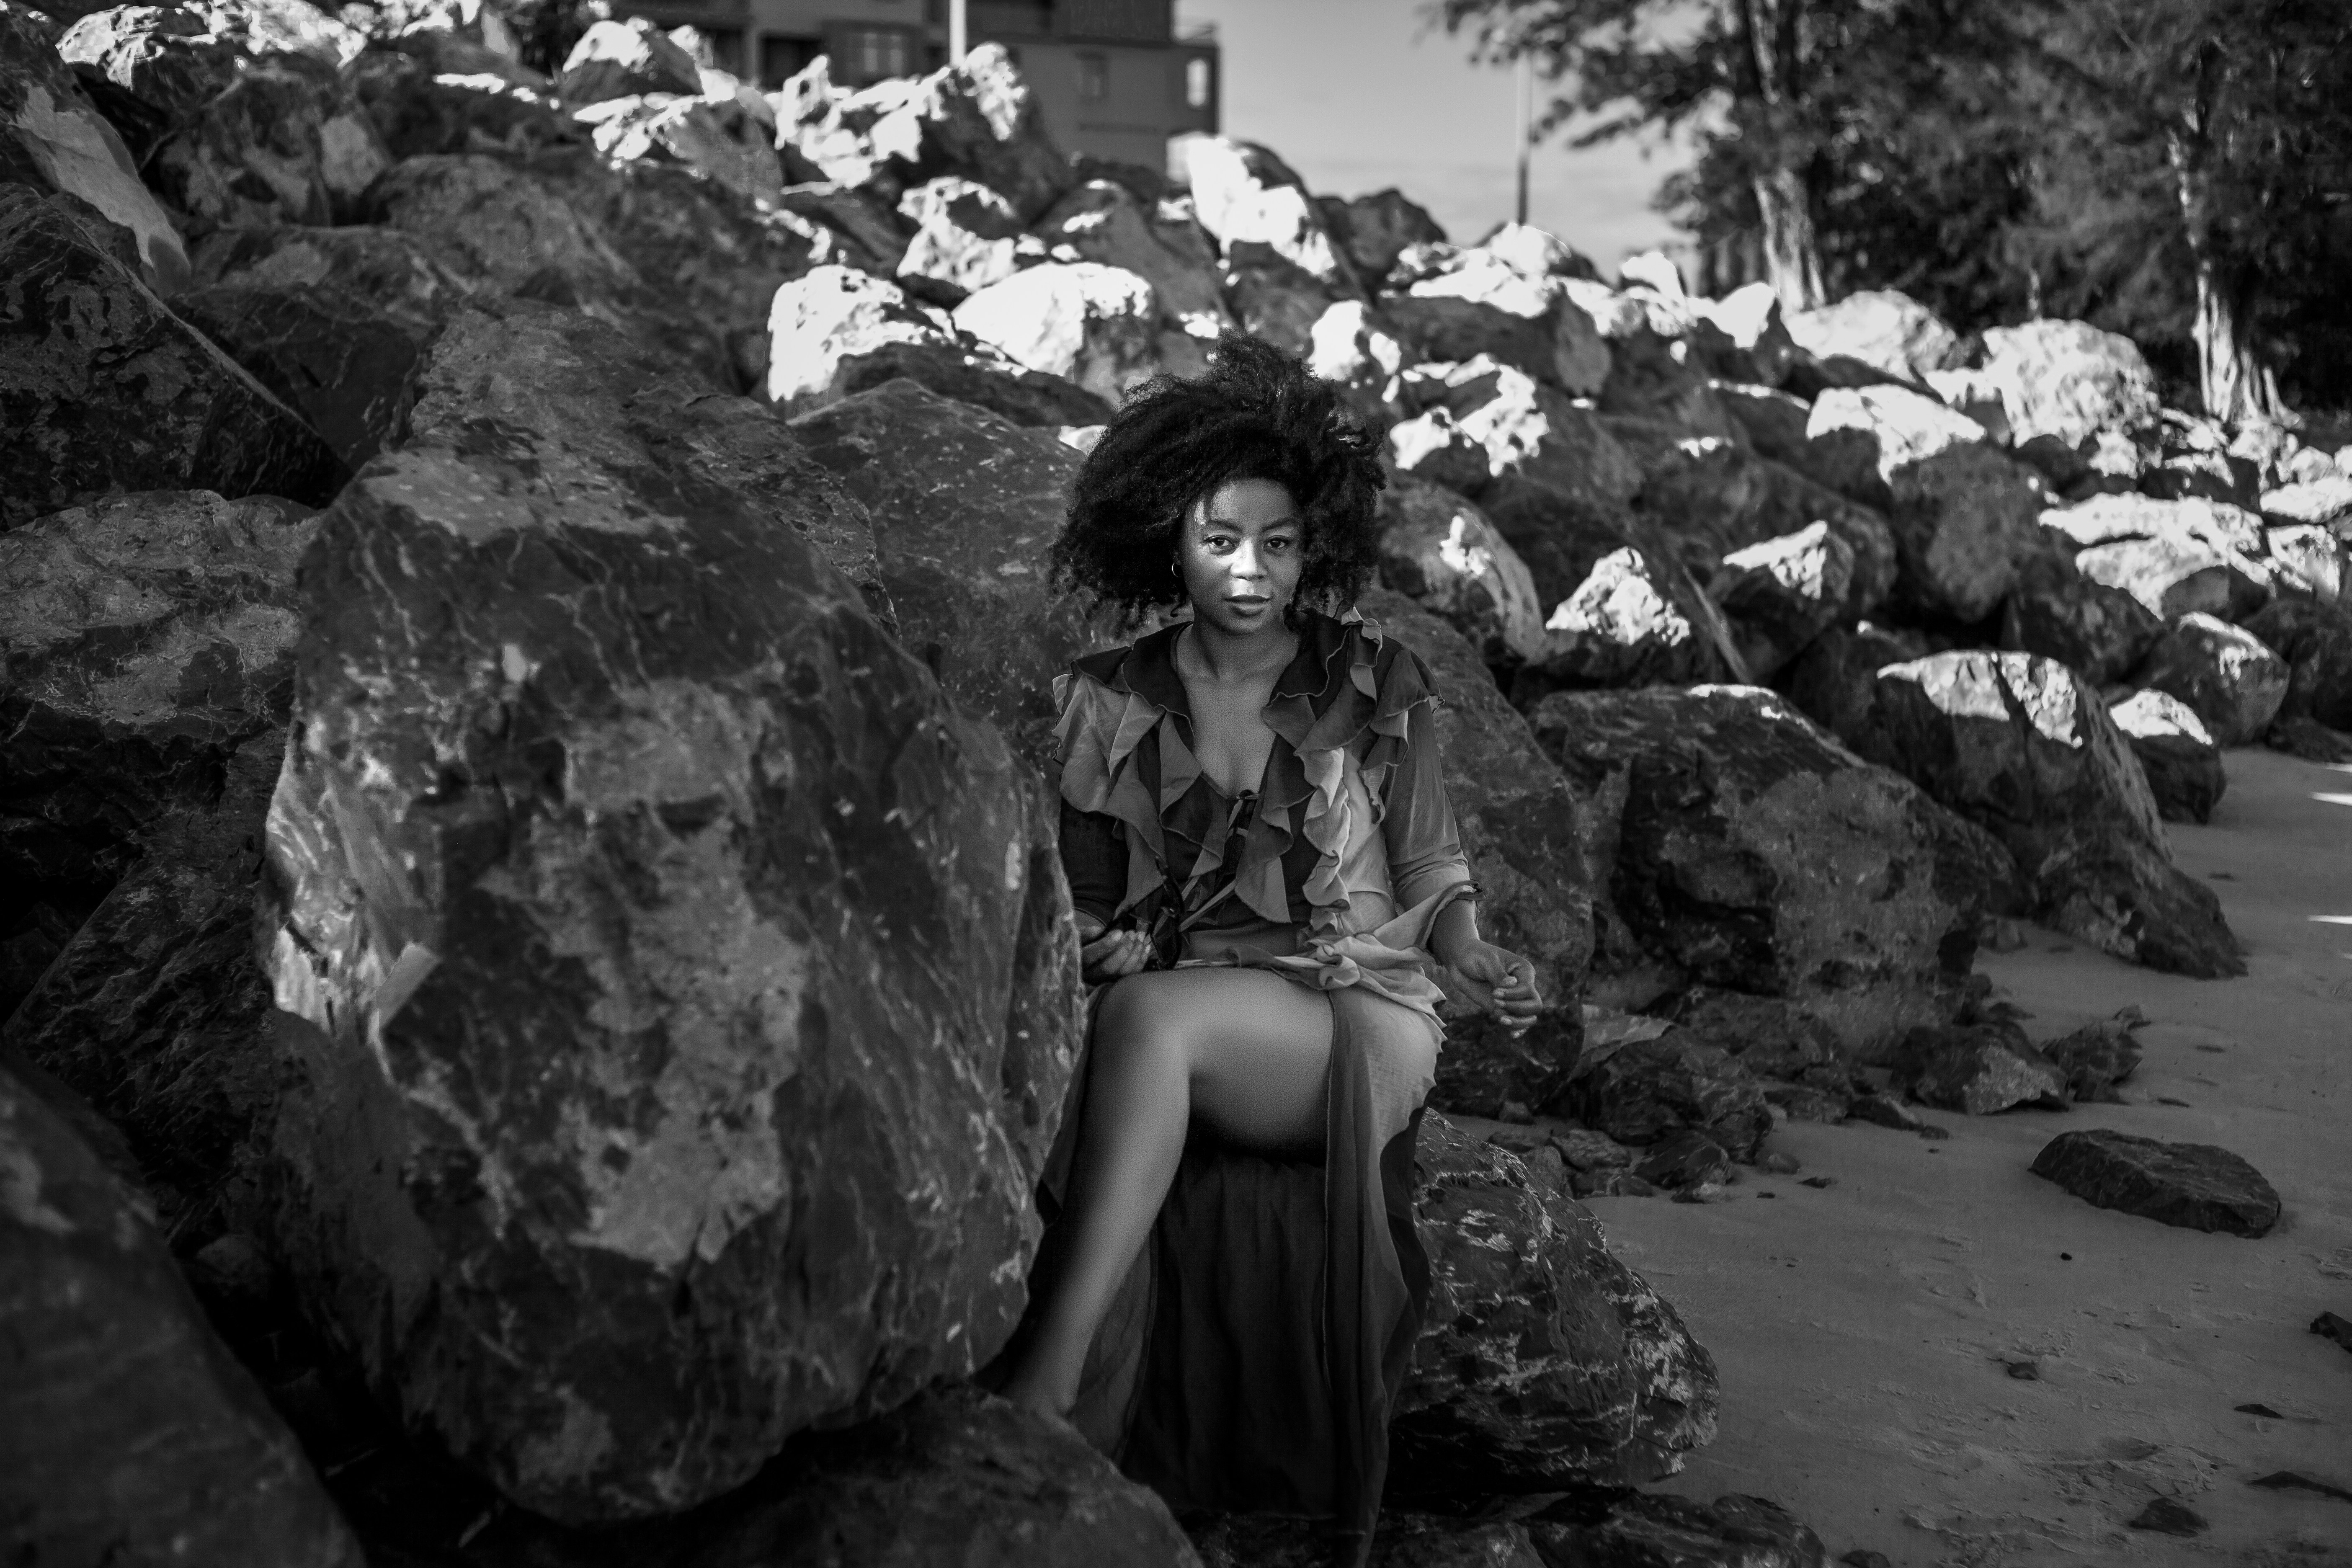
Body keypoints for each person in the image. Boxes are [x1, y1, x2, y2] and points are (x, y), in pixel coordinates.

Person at [991, 337, 1542, 1565]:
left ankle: (1051, 1374)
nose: (1252, 571)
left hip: (1353, 1008)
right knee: (1134, 1011)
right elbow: (1086, 906)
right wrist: (1103, 946)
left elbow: (1432, 868)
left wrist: (1472, 951)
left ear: (1315, 546)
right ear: (1168, 541)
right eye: (1222, 540)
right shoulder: (1103, 696)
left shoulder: (1376, 677)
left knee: (1152, 1023)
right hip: (1187, 1001)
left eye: (1280, 544)